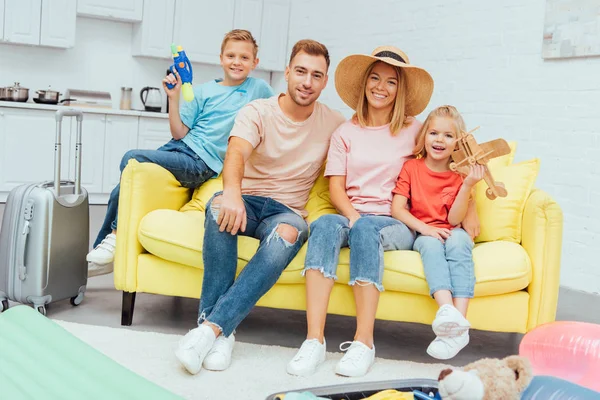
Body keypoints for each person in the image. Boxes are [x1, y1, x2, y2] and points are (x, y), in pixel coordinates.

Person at [174, 39, 346, 376]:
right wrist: (233, 194)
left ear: (325, 82)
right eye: (300, 72)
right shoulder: (258, 111)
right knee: (218, 208)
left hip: (287, 211)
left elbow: (370, 142)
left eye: (316, 75)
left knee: (288, 232)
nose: (307, 82)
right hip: (248, 201)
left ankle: (208, 331)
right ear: (287, 72)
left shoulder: (334, 122)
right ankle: (223, 334)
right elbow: (236, 152)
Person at [286, 46, 435, 378]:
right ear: (365, 83)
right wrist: (352, 216)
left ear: (401, 90)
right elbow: (336, 188)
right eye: (375, 78)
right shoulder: (344, 133)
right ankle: (313, 341)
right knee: (324, 224)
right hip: (354, 214)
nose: (381, 87)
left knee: (367, 229)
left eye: (391, 82)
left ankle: (364, 343)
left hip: (394, 221)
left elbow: (442, 159)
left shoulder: (415, 130)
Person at [86, 29, 274, 276]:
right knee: (122, 187)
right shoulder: (203, 91)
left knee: (130, 156)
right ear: (220, 58)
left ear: (255, 63)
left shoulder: (258, 88)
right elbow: (179, 133)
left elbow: (279, 111)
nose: (236, 62)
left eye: (244, 58)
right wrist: (173, 99)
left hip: (201, 163)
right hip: (178, 149)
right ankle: (102, 253)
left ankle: (113, 239)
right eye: (231, 55)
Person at [391, 105, 484, 360]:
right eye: (433, 133)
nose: (439, 140)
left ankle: (459, 324)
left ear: (457, 143)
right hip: (424, 231)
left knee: (459, 243)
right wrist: (425, 229)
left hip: (451, 229)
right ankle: (447, 311)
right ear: (424, 137)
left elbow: (454, 219)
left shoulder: (458, 175)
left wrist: (467, 186)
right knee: (430, 246)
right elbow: (398, 209)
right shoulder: (412, 168)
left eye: (448, 135)